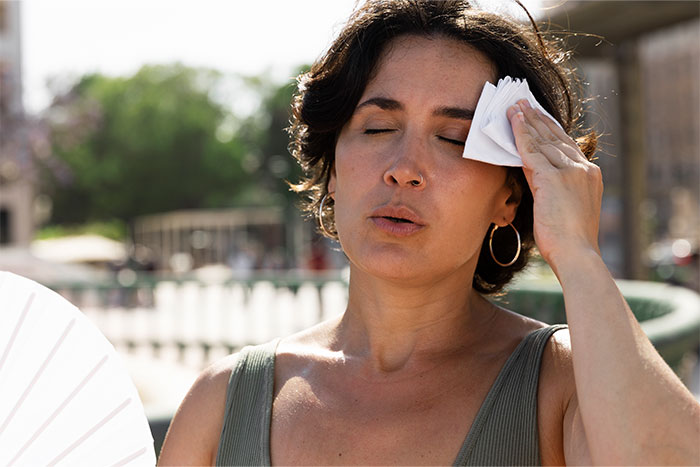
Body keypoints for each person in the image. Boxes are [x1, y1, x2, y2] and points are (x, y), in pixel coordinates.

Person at [158, 1, 700, 465]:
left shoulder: (562, 387)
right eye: (377, 128)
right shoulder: (224, 401)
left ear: (510, 197)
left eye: (452, 138)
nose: (404, 167)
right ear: (332, 169)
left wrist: (578, 255)